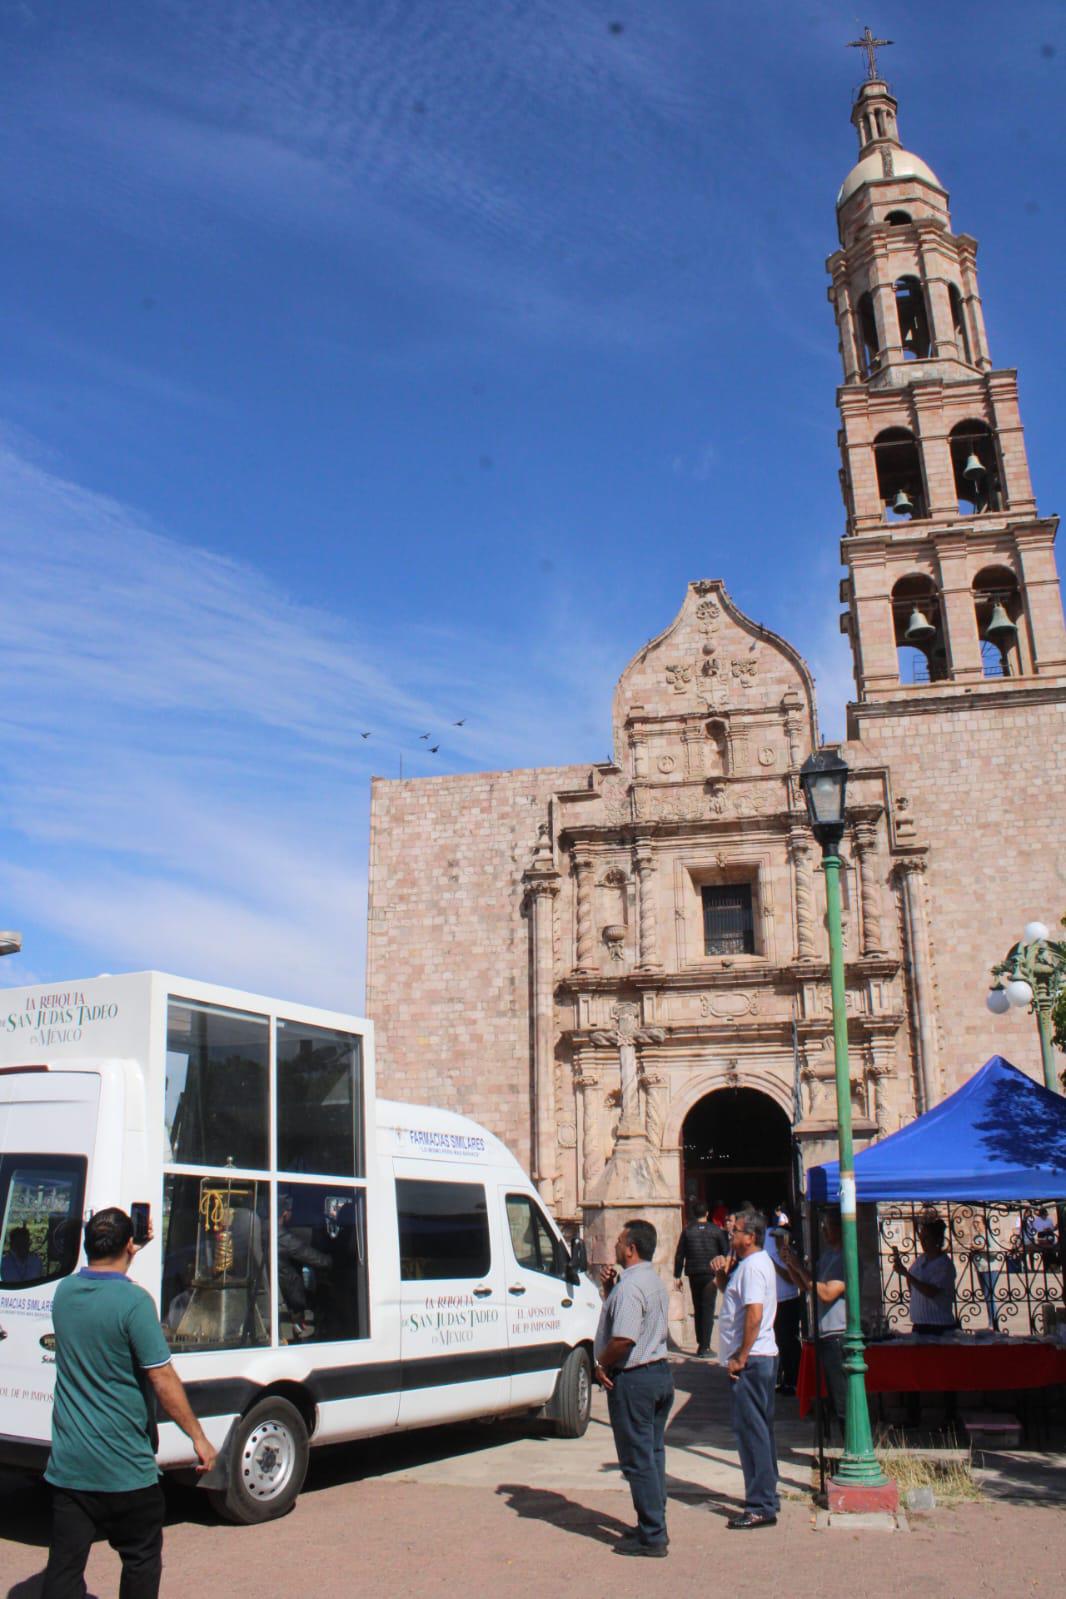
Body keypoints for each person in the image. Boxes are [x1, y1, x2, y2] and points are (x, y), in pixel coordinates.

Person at [42, 1206, 217, 1599]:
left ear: (87, 1245)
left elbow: (103, 1287)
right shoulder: (135, 1302)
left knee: (64, 1566)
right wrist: (198, 1437)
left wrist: (128, 1249)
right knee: (140, 1558)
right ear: (128, 1246)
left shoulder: (64, 1293)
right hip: (124, 1467)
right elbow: (162, 1378)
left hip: (70, 1467)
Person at [594, 1219, 673, 1558]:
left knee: (638, 1459)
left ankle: (653, 1535)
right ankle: (653, 1522)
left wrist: (601, 1364)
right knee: (652, 1454)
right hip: (659, 1373)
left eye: (620, 1239)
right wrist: (609, 1291)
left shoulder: (630, 1288)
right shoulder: (651, 1281)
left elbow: (624, 1338)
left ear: (631, 1249)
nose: (614, 1243)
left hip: (635, 1377)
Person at [712, 1208, 779, 1530]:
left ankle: (761, 1505)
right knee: (759, 1430)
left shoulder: (753, 1267)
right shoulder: (749, 1265)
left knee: (751, 1431)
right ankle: (766, 1494)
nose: (731, 1234)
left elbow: (754, 1313)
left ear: (750, 1237)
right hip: (759, 1357)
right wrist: (722, 1278)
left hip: (753, 1360)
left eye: (735, 1231)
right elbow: (738, 1303)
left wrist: (741, 1355)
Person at [780, 1210, 848, 1437]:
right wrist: (791, 1265)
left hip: (838, 1333)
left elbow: (827, 1293)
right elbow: (807, 1285)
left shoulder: (845, 1258)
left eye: (828, 1226)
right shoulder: (828, 1257)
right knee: (830, 1396)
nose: (824, 1231)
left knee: (842, 1398)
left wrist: (800, 1268)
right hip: (824, 1333)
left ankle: (850, 1442)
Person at [673, 1202, 728, 1357]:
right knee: (708, 1309)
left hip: (694, 1272)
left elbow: (680, 1254)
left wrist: (677, 1275)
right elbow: (725, 1251)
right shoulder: (716, 1230)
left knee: (698, 1308)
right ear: (707, 1213)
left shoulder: (688, 1231)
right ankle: (705, 1346)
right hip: (710, 1273)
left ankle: (701, 1343)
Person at [278, 1193, 332, 1338]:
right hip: (290, 1297)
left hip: (284, 1294)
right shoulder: (283, 1237)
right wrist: (335, 1260)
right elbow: (319, 1260)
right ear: (285, 1213)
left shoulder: (264, 1229)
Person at [892, 1216, 957, 1333]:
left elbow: (931, 1292)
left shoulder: (944, 1264)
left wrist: (907, 1274)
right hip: (919, 1323)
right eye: (921, 1238)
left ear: (937, 1239)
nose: (922, 1242)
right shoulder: (921, 1260)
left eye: (926, 1238)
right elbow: (912, 1283)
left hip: (938, 1325)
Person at [765, 1225, 802, 1395]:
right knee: (780, 1342)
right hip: (777, 1301)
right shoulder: (774, 1254)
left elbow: (790, 1278)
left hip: (789, 1300)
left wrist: (775, 1264)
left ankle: (794, 1380)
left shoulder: (789, 1254)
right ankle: (786, 1379)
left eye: (780, 1237)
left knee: (789, 1342)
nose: (777, 1241)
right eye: (775, 1238)